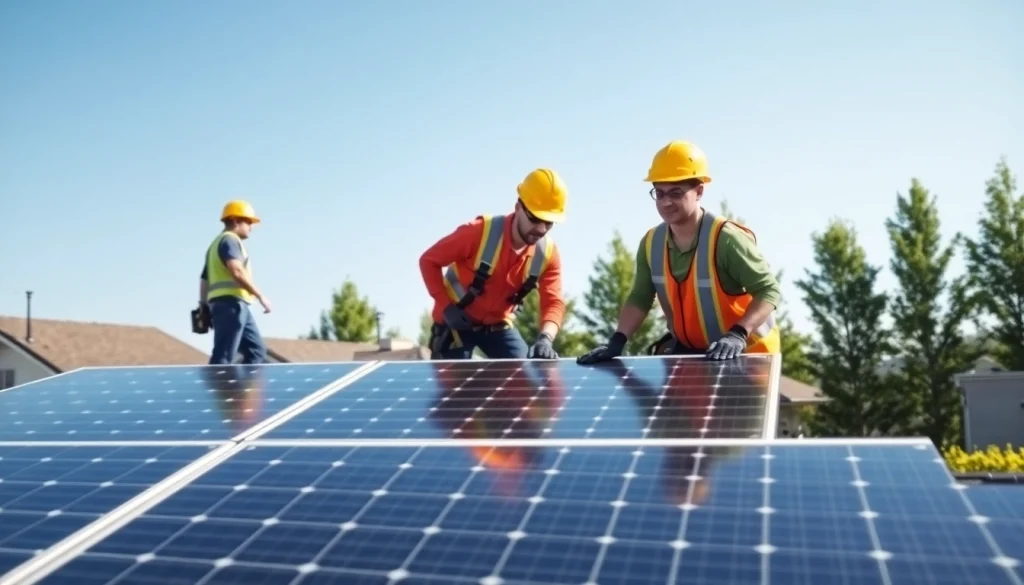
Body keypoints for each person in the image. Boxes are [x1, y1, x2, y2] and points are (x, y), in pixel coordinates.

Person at [577, 140, 781, 365]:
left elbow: (768, 290)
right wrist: (617, 340)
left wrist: (739, 334)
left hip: (749, 357)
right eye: (659, 193)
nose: (666, 202)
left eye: (676, 193)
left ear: (699, 191)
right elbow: (640, 297)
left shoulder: (726, 239)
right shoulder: (651, 243)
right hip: (698, 356)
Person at [419, 168, 568, 360]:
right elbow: (429, 261)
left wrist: (545, 338)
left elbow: (554, 301)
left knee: (524, 379)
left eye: (549, 223)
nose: (541, 229)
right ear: (518, 207)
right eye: (535, 219)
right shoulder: (477, 233)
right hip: (456, 323)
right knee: (456, 386)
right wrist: (446, 307)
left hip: (498, 327)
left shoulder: (547, 254)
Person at [199, 200, 272, 365]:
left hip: (235, 305)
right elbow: (236, 270)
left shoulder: (215, 244)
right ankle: (219, 390)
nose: (251, 226)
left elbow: (204, 279)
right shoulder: (229, 240)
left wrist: (203, 306)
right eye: (248, 222)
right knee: (223, 357)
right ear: (235, 221)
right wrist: (260, 296)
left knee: (257, 351)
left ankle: (242, 390)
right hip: (230, 305)